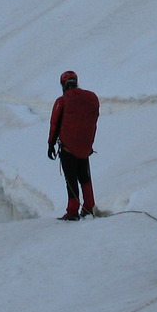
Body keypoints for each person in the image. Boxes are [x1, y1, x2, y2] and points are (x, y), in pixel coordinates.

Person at [48, 70, 100, 220]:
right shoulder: (91, 98)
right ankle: (89, 207)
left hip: (67, 147)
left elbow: (54, 124)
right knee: (85, 177)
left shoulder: (62, 101)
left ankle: (72, 211)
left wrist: (51, 144)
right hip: (84, 146)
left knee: (70, 179)